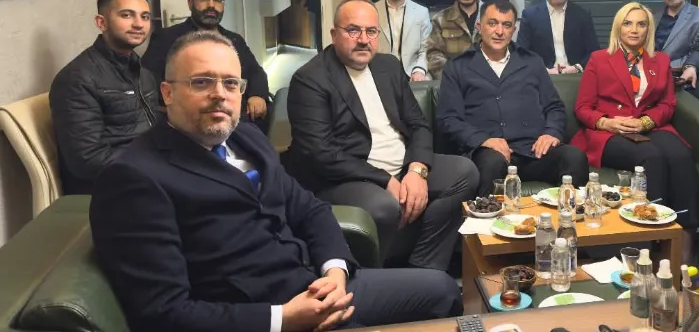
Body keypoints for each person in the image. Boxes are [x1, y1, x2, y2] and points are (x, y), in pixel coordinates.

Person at [89, 31, 462, 332]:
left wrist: (334, 270)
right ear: (167, 93)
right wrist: (282, 319)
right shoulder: (133, 179)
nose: (219, 94)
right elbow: (164, 313)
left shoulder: (245, 137)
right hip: (261, 315)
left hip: (320, 284)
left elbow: (310, 209)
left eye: (231, 83)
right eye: (201, 82)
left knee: (443, 290)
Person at [284, 0, 477, 271]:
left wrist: (417, 170)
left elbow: (418, 124)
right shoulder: (310, 79)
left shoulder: (388, 66)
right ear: (334, 34)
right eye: (353, 30)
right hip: (349, 176)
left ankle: (425, 267)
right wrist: (385, 179)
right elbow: (320, 154)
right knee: (384, 206)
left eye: (371, 31)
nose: (364, 40)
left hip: (402, 166)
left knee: (465, 172)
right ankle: (374, 281)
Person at [571, 2, 699, 258]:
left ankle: (683, 238)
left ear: (649, 29)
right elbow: (583, 107)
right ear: (618, 27)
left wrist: (646, 122)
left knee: (681, 155)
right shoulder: (599, 59)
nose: (634, 30)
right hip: (610, 132)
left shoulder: (660, 60)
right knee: (651, 156)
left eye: (641, 24)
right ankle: (652, 234)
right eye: (628, 23)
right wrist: (607, 122)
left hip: (648, 126)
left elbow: (667, 104)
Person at [436, 0, 589, 197]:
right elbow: (448, 119)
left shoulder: (532, 62)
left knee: (574, 157)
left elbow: (554, 107)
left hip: (534, 151)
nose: (499, 31)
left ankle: (566, 214)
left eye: (506, 25)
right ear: (479, 27)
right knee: (492, 163)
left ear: (513, 30)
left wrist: (551, 133)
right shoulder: (458, 67)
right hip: (489, 153)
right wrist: (483, 140)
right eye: (492, 23)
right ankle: (486, 216)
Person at [49, 0, 161, 195]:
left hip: (147, 168)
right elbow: (87, 159)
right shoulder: (77, 78)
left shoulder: (142, 71)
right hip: (110, 186)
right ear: (101, 23)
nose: (139, 24)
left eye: (145, 17)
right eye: (127, 15)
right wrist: (158, 166)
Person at [144, 0, 271, 131]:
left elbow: (255, 71)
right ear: (190, 3)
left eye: (217, 0)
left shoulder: (234, 39)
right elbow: (149, 80)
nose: (211, 5)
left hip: (238, 114)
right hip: (194, 117)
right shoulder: (167, 37)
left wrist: (257, 95)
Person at [516, 0, 600, 74]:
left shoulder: (582, 15)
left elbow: (594, 51)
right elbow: (521, 52)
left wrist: (577, 67)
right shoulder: (530, 15)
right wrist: (543, 70)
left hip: (574, 74)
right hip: (542, 74)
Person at [373, 0, 432, 81]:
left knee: (426, 82)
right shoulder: (372, 10)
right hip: (380, 72)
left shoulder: (421, 12)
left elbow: (427, 47)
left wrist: (419, 70)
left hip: (411, 71)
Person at [425, 0, 483, 79]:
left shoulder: (492, 17)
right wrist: (453, 77)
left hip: (486, 80)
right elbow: (434, 54)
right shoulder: (440, 19)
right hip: (453, 80)